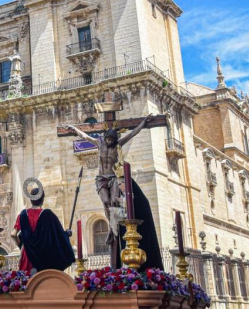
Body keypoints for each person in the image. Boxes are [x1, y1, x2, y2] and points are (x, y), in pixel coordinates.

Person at [67, 116, 164, 270]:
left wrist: (143, 123)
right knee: (105, 202)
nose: (110, 141)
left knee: (113, 203)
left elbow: (132, 134)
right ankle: (112, 229)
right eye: (108, 138)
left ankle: (112, 229)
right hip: (101, 178)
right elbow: (85, 136)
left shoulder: (118, 144)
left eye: (112, 139)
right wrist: (74, 130)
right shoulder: (100, 144)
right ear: (105, 138)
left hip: (113, 177)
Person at [10, 180, 75, 273]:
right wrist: (67, 233)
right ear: (43, 199)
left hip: (27, 255)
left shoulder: (23, 215)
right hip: (44, 256)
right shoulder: (48, 214)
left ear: (31, 199)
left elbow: (13, 234)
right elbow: (58, 236)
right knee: (43, 281)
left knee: (26, 283)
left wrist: (22, 245)